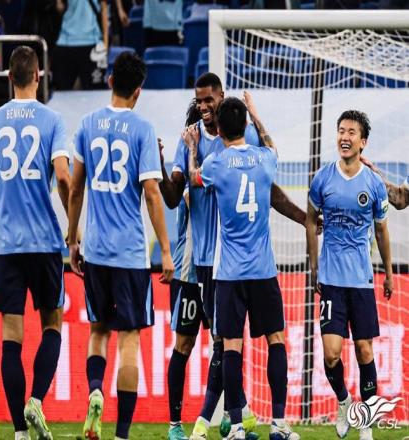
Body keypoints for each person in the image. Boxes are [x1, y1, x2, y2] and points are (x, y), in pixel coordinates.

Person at [159, 72, 311, 440]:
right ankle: (268, 421)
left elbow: (196, 177)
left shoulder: (213, 161)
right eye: (199, 100)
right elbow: (272, 158)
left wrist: (188, 153)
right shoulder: (262, 154)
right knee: (268, 339)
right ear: (245, 124)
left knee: (227, 345)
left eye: (209, 100)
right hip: (232, 265)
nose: (203, 106)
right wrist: (256, 116)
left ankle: (229, 424)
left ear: (221, 102)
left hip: (226, 268)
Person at [67, 51, 174, 440]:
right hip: (129, 253)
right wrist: (165, 250)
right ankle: (122, 433)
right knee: (129, 337)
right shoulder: (143, 129)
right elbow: (152, 193)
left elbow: (75, 188)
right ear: (139, 91)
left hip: (95, 250)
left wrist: (73, 238)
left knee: (98, 331)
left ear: (110, 81)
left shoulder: (87, 124)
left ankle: (95, 390)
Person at [0, 45, 71, 440]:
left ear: (9, 77)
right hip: (44, 242)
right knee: (52, 325)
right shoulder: (52, 119)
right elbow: (62, 176)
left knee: (10, 339)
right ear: (39, 76)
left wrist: (5, 188)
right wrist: (73, 226)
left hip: (5, 246)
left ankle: (17, 431)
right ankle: (36, 401)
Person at [306, 110, 393, 440]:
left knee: (365, 352)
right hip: (330, 279)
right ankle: (344, 402)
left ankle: (365, 423)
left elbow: (382, 230)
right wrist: (313, 265)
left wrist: (388, 273)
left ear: (363, 142)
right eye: (341, 130)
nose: (344, 137)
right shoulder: (322, 179)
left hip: (361, 281)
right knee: (330, 354)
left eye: (351, 132)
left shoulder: (373, 183)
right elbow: (310, 220)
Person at [163, 100, 209, 440]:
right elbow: (177, 194)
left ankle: (232, 416)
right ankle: (175, 423)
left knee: (227, 343)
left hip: (220, 270)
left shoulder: (223, 157)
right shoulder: (190, 166)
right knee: (183, 345)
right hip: (189, 271)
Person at [53, 0, 109, 90]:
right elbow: (60, 8)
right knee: (61, 92)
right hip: (66, 42)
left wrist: (105, 43)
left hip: (93, 44)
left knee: (96, 93)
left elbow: (104, 8)